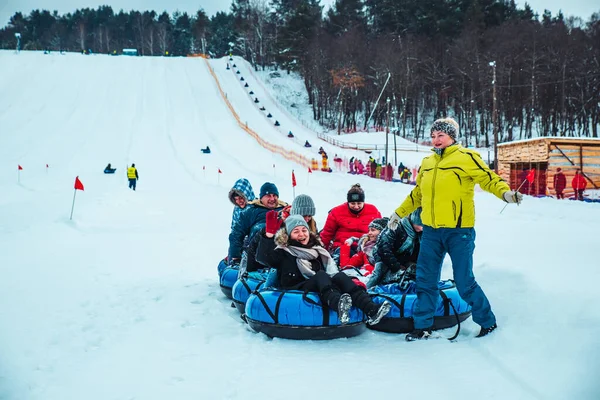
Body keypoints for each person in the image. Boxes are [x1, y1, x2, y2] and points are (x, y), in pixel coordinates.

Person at [388, 117, 523, 341]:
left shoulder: (467, 157)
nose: (436, 140)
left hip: (459, 232)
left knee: (464, 281)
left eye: (441, 135)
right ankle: (422, 326)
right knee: (425, 279)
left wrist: (505, 193)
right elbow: (417, 194)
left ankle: (487, 322)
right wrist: (398, 213)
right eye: (433, 136)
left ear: (452, 136)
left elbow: (489, 179)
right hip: (431, 232)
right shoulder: (428, 162)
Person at [256, 214, 391, 325]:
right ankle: (339, 306)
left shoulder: (316, 250)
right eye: (296, 232)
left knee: (340, 277)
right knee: (321, 275)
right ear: (289, 235)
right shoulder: (283, 251)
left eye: (304, 230)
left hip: (318, 283)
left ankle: (371, 310)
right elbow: (263, 258)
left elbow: (329, 272)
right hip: (294, 286)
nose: (301, 234)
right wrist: (268, 236)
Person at [228, 182, 288, 265]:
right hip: (256, 254)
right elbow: (236, 234)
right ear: (261, 198)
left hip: (283, 253)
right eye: (268, 195)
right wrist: (236, 256)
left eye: (274, 195)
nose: (272, 198)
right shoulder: (251, 211)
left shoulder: (285, 210)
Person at [320, 184, 382, 262]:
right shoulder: (336, 212)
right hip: (342, 247)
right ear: (348, 202)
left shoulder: (373, 211)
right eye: (353, 203)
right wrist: (321, 252)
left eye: (359, 203)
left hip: (366, 247)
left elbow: (381, 231)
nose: (356, 207)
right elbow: (327, 234)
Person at [368, 208, 423, 290]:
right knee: (379, 273)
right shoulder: (396, 227)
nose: (422, 228)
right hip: (382, 253)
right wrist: (396, 266)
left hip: (401, 256)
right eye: (420, 225)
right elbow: (383, 247)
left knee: (412, 272)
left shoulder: (419, 234)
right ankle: (366, 290)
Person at [340, 217, 388, 288]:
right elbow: (346, 265)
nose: (369, 233)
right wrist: (346, 244)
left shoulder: (389, 250)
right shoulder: (365, 248)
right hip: (361, 278)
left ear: (382, 232)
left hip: (376, 284)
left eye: (373, 230)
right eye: (369, 230)